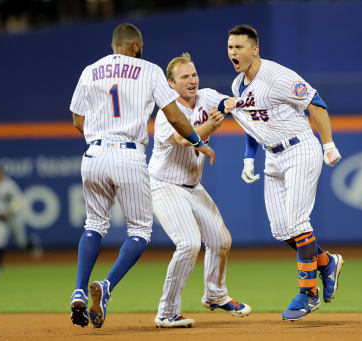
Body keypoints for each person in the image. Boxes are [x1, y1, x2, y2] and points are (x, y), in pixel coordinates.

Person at [69, 23, 215, 329]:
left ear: (114, 46)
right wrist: (199, 142)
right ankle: (106, 287)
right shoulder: (149, 70)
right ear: (135, 45)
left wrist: (99, 136)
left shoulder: (89, 70)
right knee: (139, 231)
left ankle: (79, 289)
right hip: (128, 153)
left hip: (93, 153)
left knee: (94, 224)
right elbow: (175, 115)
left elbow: (77, 120)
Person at [220, 25, 344, 321]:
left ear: (255, 49)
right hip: (272, 157)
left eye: (239, 47)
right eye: (230, 47)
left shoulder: (277, 76)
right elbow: (252, 124)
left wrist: (328, 144)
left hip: (299, 148)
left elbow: (316, 103)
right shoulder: (238, 86)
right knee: (281, 229)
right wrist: (249, 158)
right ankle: (326, 262)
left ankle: (308, 293)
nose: (233, 53)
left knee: (297, 221)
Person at [148, 53, 251, 328]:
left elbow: (227, 102)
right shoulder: (165, 113)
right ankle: (166, 311)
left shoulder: (204, 96)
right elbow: (183, 138)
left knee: (220, 240)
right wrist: (208, 128)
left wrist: (241, 101)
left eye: (193, 74)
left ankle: (215, 295)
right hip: (165, 185)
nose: (191, 80)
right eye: (184, 77)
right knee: (189, 243)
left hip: (192, 186)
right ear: (171, 83)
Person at [0, 166, 42, 275]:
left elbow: (19, 200)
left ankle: (33, 245)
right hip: (0, 219)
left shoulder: (9, 185)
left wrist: (10, 212)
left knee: (21, 242)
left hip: (13, 218)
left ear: (2, 174)